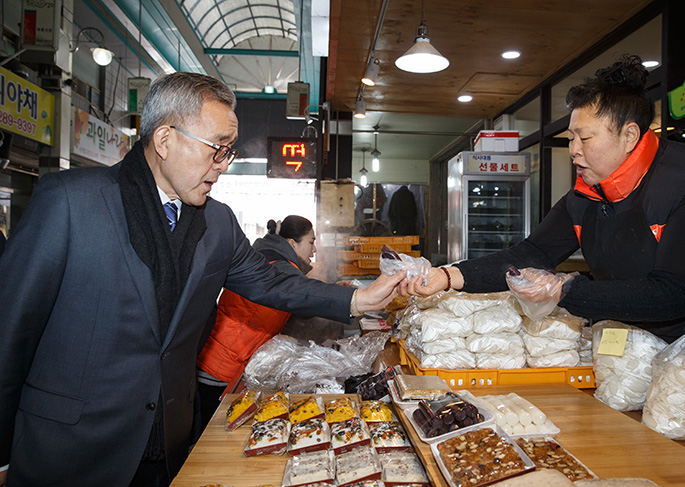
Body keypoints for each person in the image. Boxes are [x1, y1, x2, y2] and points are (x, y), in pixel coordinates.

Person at [0, 72, 403, 487]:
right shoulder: (71, 201)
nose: (223, 165)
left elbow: (271, 283)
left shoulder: (217, 222)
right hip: (69, 452)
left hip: (167, 446)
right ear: (165, 139)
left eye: (228, 152)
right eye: (217, 150)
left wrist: (357, 301)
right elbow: (10, 331)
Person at [400, 55, 685, 343]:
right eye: (571, 138)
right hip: (631, 346)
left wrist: (564, 290)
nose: (574, 150)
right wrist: (448, 277)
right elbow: (534, 252)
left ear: (629, 135)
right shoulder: (587, 193)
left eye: (584, 138)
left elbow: (674, 294)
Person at [196, 215, 318, 426]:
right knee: (211, 434)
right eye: (311, 242)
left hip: (221, 359)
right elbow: (303, 299)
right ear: (291, 244)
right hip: (222, 365)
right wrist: (349, 300)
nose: (314, 250)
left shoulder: (269, 258)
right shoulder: (278, 267)